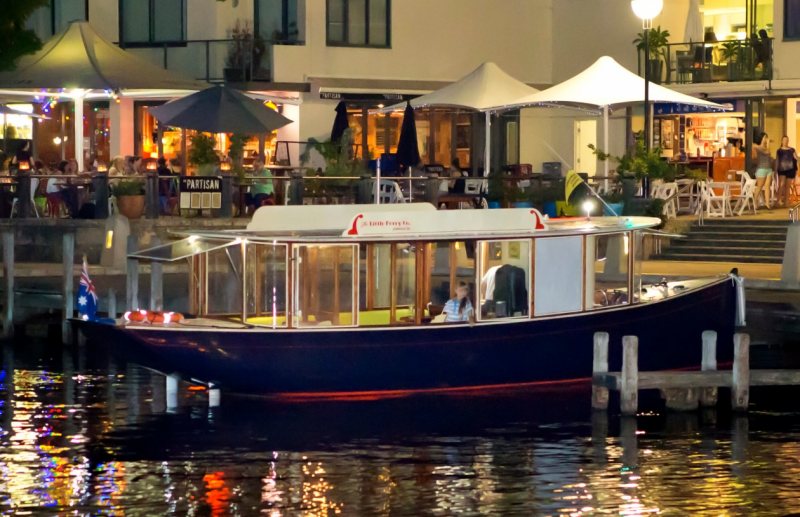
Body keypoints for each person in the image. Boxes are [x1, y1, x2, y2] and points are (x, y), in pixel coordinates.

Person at [775, 136, 798, 208]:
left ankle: (786, 202)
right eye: (784, 140)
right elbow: (777, 160)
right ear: (782, 141)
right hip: (782, 169)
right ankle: (778, 201)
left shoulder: (792, 150)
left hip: (790, 169)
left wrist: (798, 166)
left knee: (788, 186)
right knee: (781, 185)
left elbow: (796, 158)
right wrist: (775, 169)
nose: (785, 141)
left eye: (787, 140)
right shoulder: (779, 151)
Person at [752, 132, 774, 209]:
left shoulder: (765, 147)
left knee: (767, 187)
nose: (766, 139)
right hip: (761, 169)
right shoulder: (758, 147)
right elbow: (767, 151)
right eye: (765, 137)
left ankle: (767, 204)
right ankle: (754, 201)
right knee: (760, 186)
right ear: (762, 138)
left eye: (767, 138)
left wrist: (768, 144)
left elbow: (768, 152)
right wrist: (768, 143)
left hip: (769, 169)